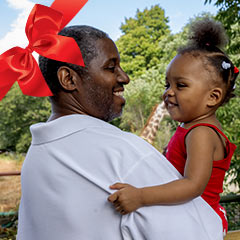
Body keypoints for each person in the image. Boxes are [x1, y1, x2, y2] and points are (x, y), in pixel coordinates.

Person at [15, 24, 225, 240]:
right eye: (110, 67)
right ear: (69, 79)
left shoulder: (36, 157)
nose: (125, 77)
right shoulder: (123, 152)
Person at [108, 17, 239, 237]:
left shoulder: (202, 133)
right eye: (167, 84)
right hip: (191, 213)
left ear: (213, 96)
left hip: (199, 219)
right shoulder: (192, 128)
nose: (168, 92)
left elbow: (193, 185)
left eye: (180, 85)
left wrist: (140, 196)